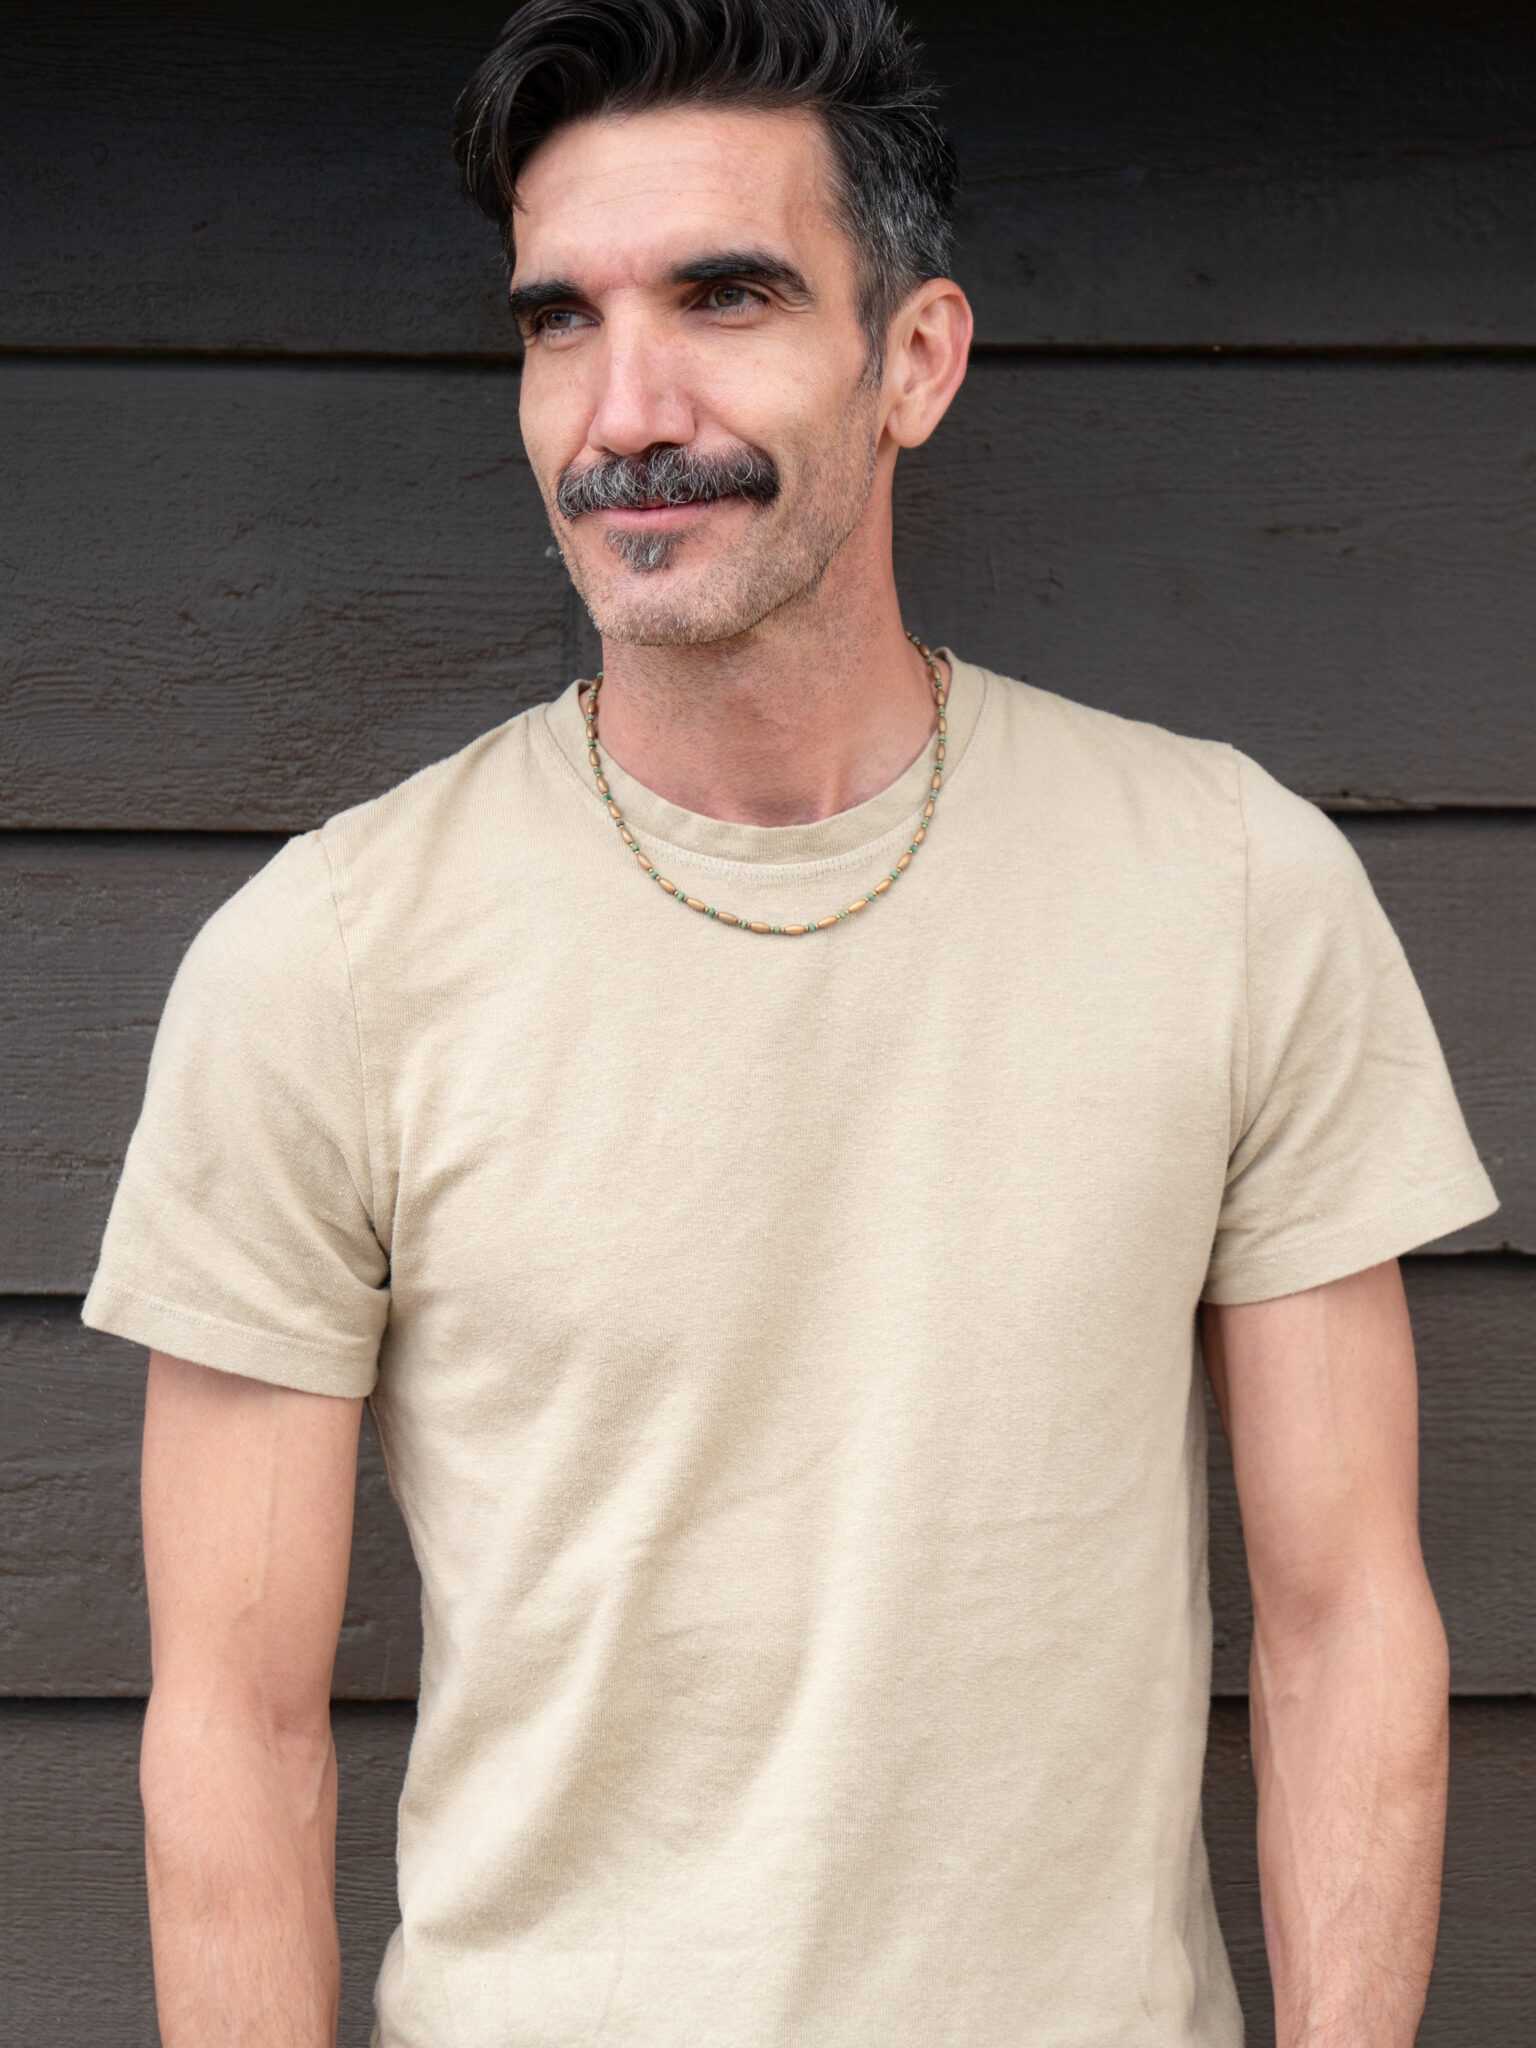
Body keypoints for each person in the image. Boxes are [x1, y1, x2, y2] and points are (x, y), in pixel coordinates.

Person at [83, 2, 1499, 2043]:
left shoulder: (1231, 885)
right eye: (560, 321)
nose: (623, 411)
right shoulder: (325, 959)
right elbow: (232, 1724)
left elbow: (1346, 1618)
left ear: (913, 358)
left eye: (722, 297)